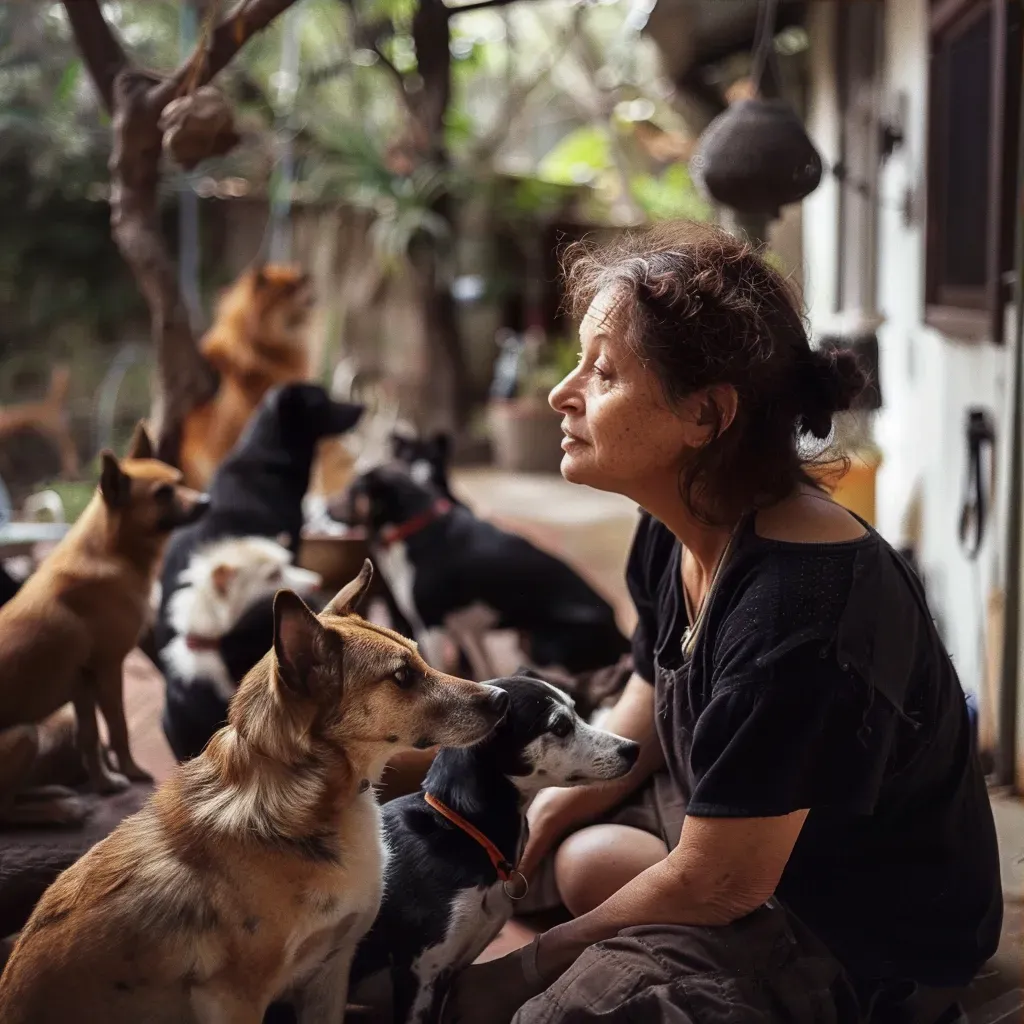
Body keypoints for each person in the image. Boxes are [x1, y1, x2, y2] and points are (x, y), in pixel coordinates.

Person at [441, 222, 1002, 1024]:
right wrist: (531, 830)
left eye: (602, 374)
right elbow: (651, 688)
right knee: (578, 854)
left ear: (704, 416)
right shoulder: (680, 518)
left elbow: (721, 881)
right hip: (739, 835)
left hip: (853, 925)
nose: (564, 393)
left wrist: (525, 968)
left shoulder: (801, 614)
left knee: (559, 1013)